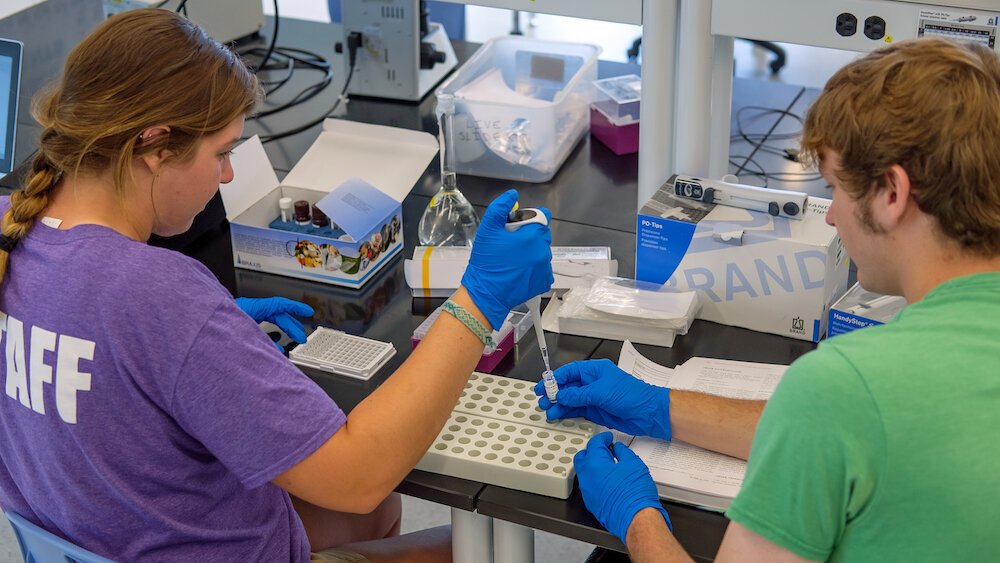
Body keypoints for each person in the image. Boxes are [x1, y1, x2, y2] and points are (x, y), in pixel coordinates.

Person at [0, 9, 553, 562]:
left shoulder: (13, 227)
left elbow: (92, 336)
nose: (227, 175)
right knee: (485, 550)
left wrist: (193, 343)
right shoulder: (160, 295)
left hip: (94, 536)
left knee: (377, 511)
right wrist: (479, 299)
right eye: (222, 153)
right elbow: (359, 475)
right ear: (155, 146)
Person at [538, 37, 1000, 562]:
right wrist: (657, 406)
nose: (830, 217)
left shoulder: (848, 386)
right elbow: (831, 434)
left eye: (836, 189)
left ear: (892, 194)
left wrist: (636, 519)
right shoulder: (879, 394)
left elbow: (836, 416)